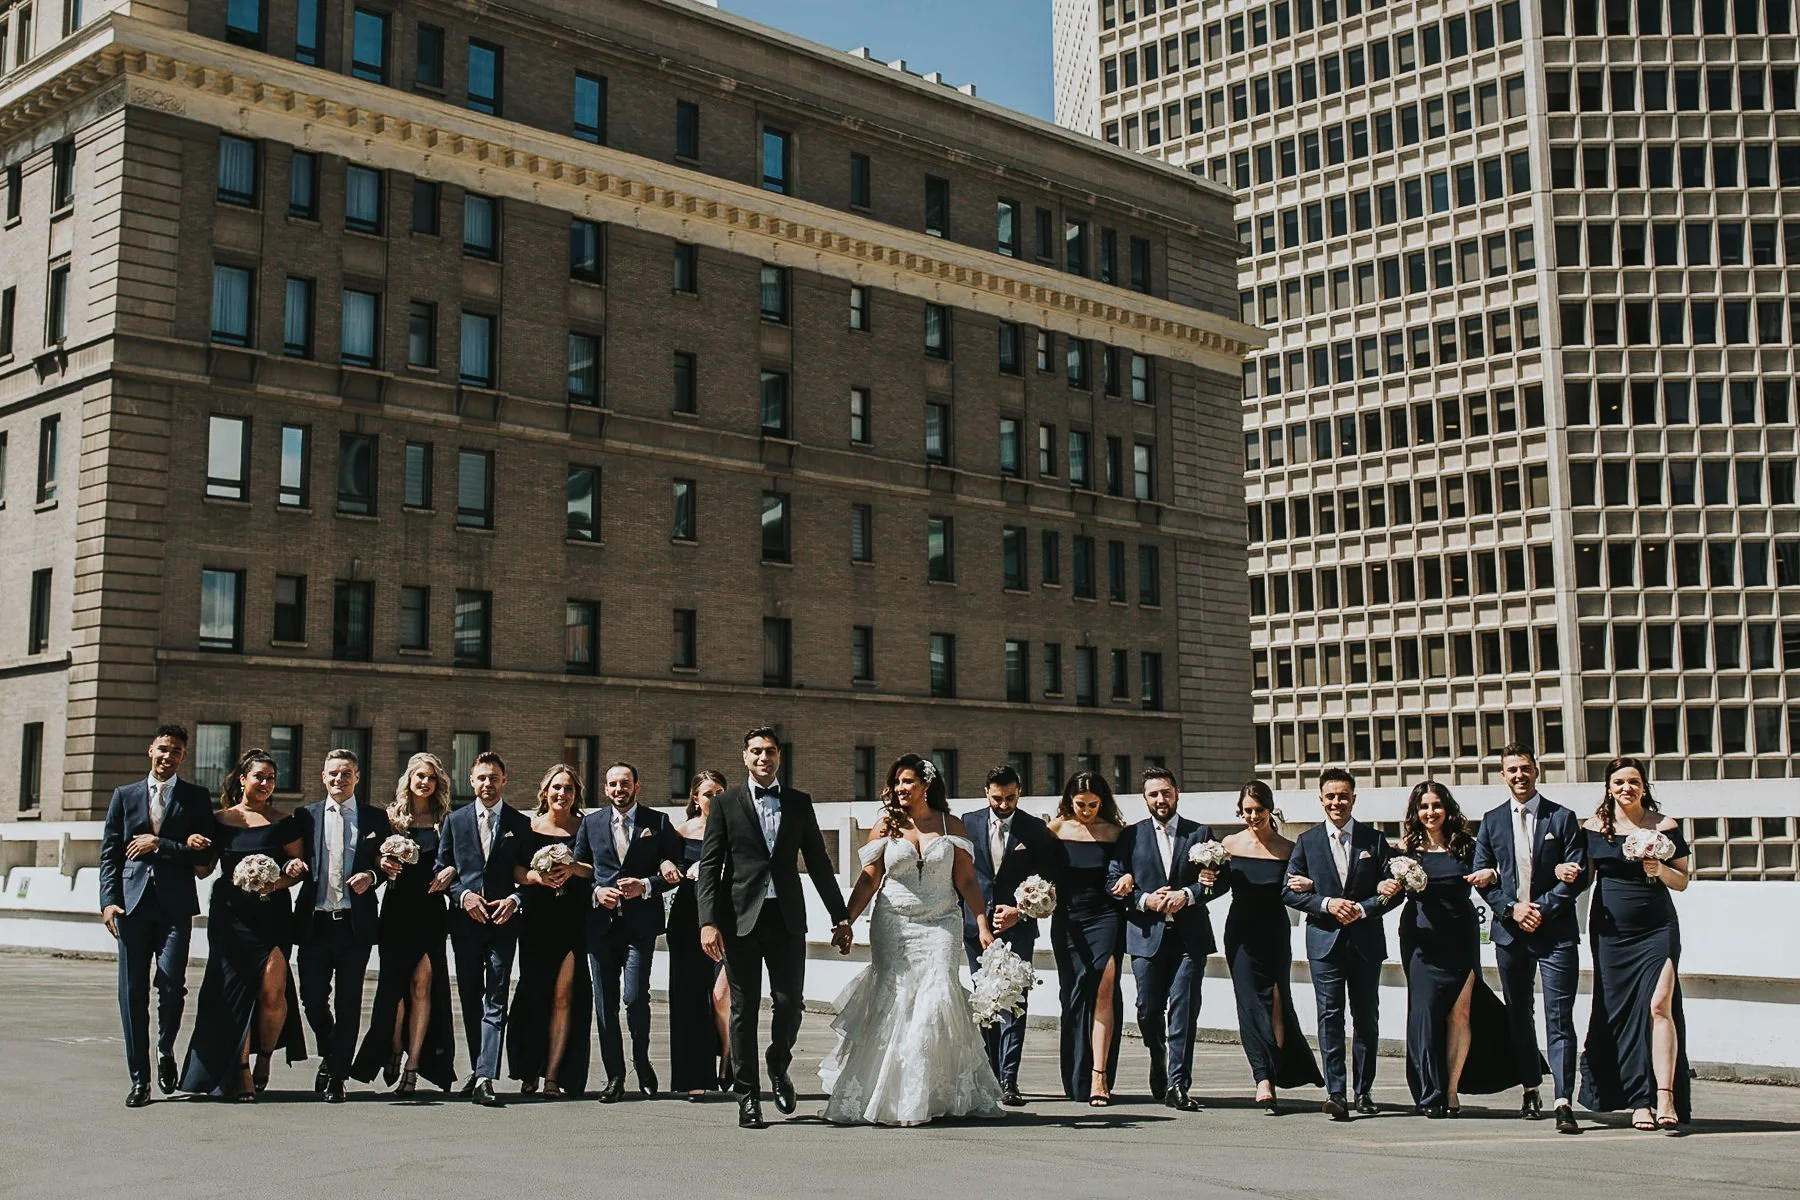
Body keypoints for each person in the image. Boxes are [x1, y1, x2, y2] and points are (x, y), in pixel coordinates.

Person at [820, 754, 1006, 1126]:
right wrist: (846, 922)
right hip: (895, 923)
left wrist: (983, 925)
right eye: (896, 783)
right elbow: (870, 879)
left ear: (926, 785)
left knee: (938, 995)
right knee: (896, 999)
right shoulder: (885, 827)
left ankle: (928, 1091)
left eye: (907, 782)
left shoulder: (950, 825)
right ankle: (892, 1094)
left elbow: (967, 881)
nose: (900, 789)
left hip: (942, 922)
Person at [696, 727, 853, 1129]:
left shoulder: (799, 803)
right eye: (755, 752)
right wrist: (708, 922)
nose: (762, 758)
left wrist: (841, 915)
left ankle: (778, 1062)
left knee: (788, 1002)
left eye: (769, 751)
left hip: (785, 918)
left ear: (779, 756)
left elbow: (818, 861)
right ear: (744, 757)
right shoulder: (725, 804)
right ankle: (747, 1095)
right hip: (739, 920)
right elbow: (710, 867)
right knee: (743, 1008)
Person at [1397, 781, 1535, 1118]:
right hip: (1420, 938)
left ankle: (1452, 1090)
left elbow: (1495, 878)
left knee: (1460, 1013)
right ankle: (1429, 1094)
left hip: (1460, 935)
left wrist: (1492, 875)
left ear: (1447, 809)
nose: (1430, 813)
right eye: (1424, 807)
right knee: (1425, 1014)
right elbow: (1387, 891)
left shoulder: (1467, 847)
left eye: (1436, 806)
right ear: (1416, 812)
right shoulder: (1405, 850)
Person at [1469, 743, 1587, 1133]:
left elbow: (1578, 874)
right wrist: (1511, 909)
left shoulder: (1563, 817)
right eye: (1511, 770)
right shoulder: (1490, 821)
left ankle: (1563, 1098)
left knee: (1559, 1016)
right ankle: (1530, 1087)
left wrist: (1542, 908)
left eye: (1525, 768)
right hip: (1510, 933)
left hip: (1555, 933)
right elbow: (1482, 876)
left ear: (1536, 771)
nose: (1519, 775)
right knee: (1519, 1015)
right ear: (1502, 776)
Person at [178, 749, 309, 1100]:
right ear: (243, 779)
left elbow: (297, 868)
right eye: (259, 777)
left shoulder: (285, 821)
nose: (265, 783)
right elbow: (204, 870)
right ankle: (241, 1069)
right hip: (230, 917)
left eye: (270, 778)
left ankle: (264, 1056)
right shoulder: (219, 819)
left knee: (273, 992)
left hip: (274, 916)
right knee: (234, 995)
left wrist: (279, 881)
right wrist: (192, 846)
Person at [98, 724, 215, 1107]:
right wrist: (108, 901)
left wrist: (161, 844)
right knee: (131, 994)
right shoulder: (125, 796)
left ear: (184, 756)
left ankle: (165, 1049)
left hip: (175, 907)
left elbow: (202, 857)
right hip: (131, 907)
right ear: (151, 750)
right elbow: (110, 854)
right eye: (163, 748)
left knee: (171, 985)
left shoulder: (196, 798)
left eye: (176, 751)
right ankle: (139, 1080)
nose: (168, 756)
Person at [1577, 756, 1691, 1132]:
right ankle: (1637, 1100)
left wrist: (1660, 869)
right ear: (1608, 788)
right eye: (1618, 782)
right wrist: (1565, 872)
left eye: (1633, 782)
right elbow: (1584, 879)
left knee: (1660, 1005)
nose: (1626, 788)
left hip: (1657, 927)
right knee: (1621, 1014)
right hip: (1611, 934)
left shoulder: (1666, 826)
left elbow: (1683, 881)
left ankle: (1665, 1095)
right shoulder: (1594, 829)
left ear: (1644, 786)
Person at [1282, 767, 1401, 1120]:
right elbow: (1287, 890)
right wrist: (1325, 903)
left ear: (1353, 798)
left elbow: (1395, 891)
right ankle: (1336, 1092)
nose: (1337, 802)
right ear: (1321, 800)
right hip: (1324, 944)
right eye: (1330, 796)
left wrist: (1363, 909)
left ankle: (1363, 1091)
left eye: (1343, 795)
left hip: (1364, 942)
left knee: (1366, 1018)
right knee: (1330, 1017)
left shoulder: (1374, 841)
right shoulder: (1307, 841)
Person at [1108, 767, 1217, 1111]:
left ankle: (1178, 1085)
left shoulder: (1199, 833)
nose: (1160, 800)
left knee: (1184, 1010)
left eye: (1165, 793)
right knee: (1148, 1009)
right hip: (1145, 936)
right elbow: (1113, 880)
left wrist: (1189, 893)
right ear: (1145, 799)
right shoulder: (1130, 836)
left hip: (1189, 937)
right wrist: (1144, 899)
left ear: (1176, 793)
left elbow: (1218, 880)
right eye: (1154, 794)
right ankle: (1158, 1053)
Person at [572, 761, 680, 1102]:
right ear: (605, 789)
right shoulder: (591, 824)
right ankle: (614, 1075)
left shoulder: (658, 822)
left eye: (625, 783)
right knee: (605, 1004)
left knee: (635, 997)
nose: (619, 789)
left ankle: (642, 1061)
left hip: (639, 927)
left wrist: (646, 885)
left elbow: (674, 868)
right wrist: (595, 893)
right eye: (612, 784)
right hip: (601, 927)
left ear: (637, 785)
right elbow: (577, 872)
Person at [351, 752, 456, 1096]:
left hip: (430, 911)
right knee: (394, 992)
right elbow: (373, 863)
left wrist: (451, 872)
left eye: (430, 778)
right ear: (408, 780)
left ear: (437, 783)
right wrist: (381, 862)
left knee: (422, 988)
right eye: (419, 776)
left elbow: (458, 862)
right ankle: (393, 1047)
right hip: (396, 911)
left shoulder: (446, 821)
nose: (424, 782)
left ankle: (412, 1066)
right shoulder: (391, 820)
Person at [292, 749, 392, 1102]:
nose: (339, 779)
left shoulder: (375, 819)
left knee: (350, 1002)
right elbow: (293, 857)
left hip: (354, 925)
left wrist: (372, 874)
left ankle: (337, 1076)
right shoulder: (305, 816)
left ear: (357, 777)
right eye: (333, 773)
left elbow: (387, 863)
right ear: (323, 777)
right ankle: (332, 1049)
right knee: (313, 1001)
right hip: (315, 923)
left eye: (346, 773)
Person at [435, 750, 529, 1107]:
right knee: (470, 997)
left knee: (497, 996)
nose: (487, 784)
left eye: (494, 778)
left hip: (504, 922)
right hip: (466, 923)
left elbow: (529, 877)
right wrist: (463, 897)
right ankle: (478, 1069)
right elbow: (442, 869)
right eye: (481, 778)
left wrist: (515, 900)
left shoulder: (520, 824)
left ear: (504, 780)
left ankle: (486, 1075)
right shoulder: (455, 821)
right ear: (471, 782)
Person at [1221, 781, 1321, 1111]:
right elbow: (1215, 885)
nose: (1253, 816)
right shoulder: (1229, 844)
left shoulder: (1288, 848)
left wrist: (1311, 884)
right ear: (1241, 811)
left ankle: (1277, 1066)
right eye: (1247, 811)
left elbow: (1302, 888)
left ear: (1269, 810)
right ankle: (1262, 1077)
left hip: (1275, 932)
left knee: (1278, 1000)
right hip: (1241, 933)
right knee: (1249, 1003)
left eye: (1259, 810)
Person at [960, 763, 1054, 1107]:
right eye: (998, 798)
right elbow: (959, 876)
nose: (1003, 805)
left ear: (1019, 792)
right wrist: (975, 918)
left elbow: (1048, 878)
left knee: (1014, 1001)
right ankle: (988, 1074)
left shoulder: (1034, 829)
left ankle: (1009, 1078)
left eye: (1010, 797)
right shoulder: (966, 823)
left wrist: (1021, 910)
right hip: (976, 926)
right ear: (986, 792)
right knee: (984, 999)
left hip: (1019, 928)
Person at [507, 763, 592, 1099]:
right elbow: (514, 869)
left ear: (576, 794)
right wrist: (535, 877)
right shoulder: (529, 827)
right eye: (557, 787)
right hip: (537, 920)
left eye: (569, 789)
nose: (562, 794)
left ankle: (554, 1074)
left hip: (573, 919)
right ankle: (531, 1068)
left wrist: (572, 867)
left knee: (563, 997)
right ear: (545, 792)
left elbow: (595, 869)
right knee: (536, 995)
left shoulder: (586, 827)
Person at [1046, 770, 1126, 1106]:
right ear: (1069, 801)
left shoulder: (1116, 833)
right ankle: (1076, 1074)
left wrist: (1130, 877)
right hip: (1067, 921)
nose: (1087, 811)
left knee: (1104, 986)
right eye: (1081, 804)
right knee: (1074, 995)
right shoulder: (1055, 829)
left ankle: (1099, 1076)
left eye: (1094, 805)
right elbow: (1032, 867)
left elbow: (1130, 865)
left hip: (1106, 916)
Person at [667, 769, 731, 1099]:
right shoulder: (680, 833)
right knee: (690, 998)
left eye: (720, 792)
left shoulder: (736, 829)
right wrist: (670, 866)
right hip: (687, 918)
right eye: (708, 793)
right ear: (695, 798)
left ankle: (729, 1054)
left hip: (728, 916)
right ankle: (694, 1075)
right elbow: (664, 868)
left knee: (722, 996)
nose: (714, 798)